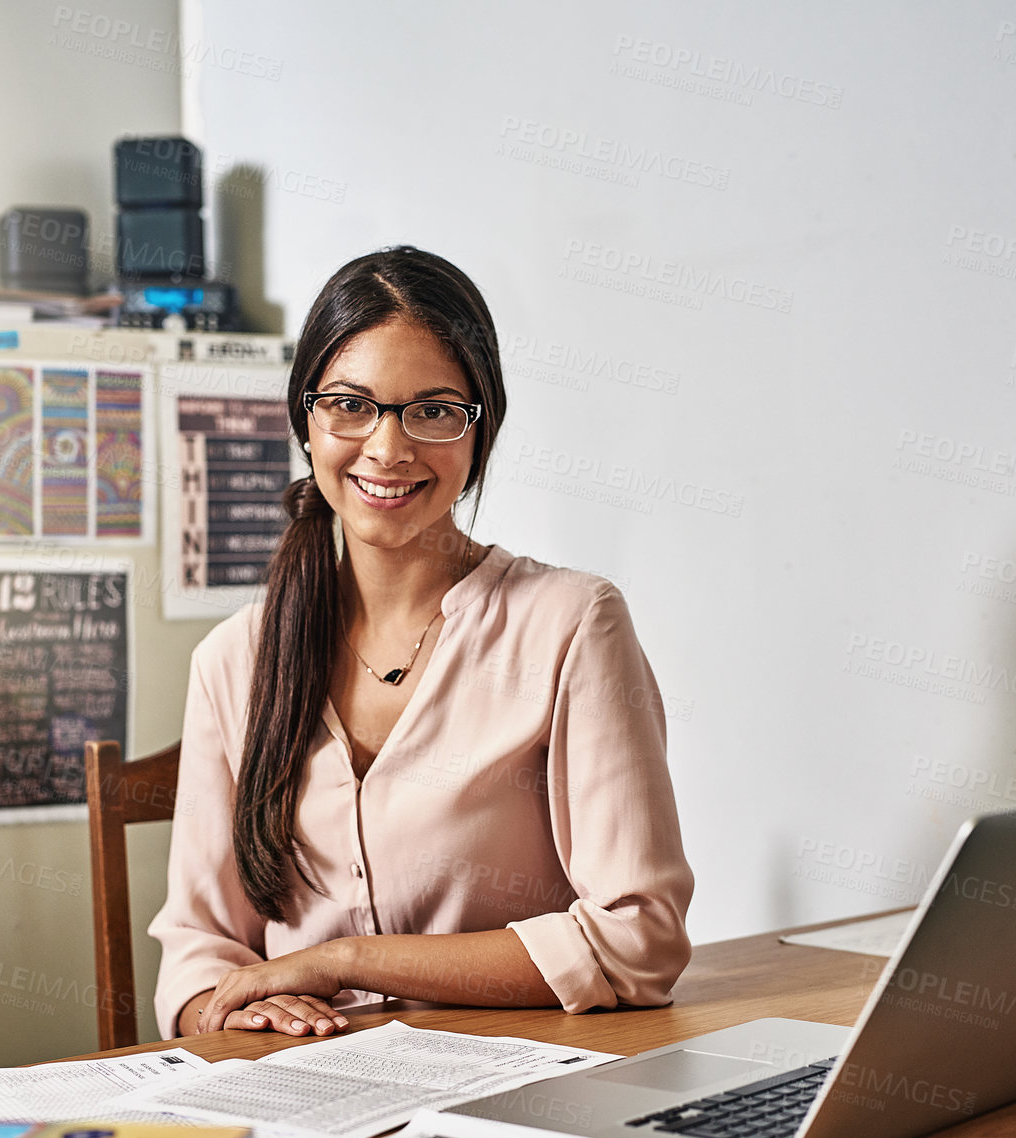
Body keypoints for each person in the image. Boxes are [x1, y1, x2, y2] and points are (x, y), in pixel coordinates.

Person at [151, 245, 693, 1039]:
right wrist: (242, 1006)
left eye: (433, 410)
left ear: (481, 430)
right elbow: (198, 955)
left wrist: (343, 960)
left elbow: (637, 941)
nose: (387, 448)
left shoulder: (571, 624)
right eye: (350, 404)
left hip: (515, 1098)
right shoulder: (233, 661)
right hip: (305, 1097)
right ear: (307, 418)